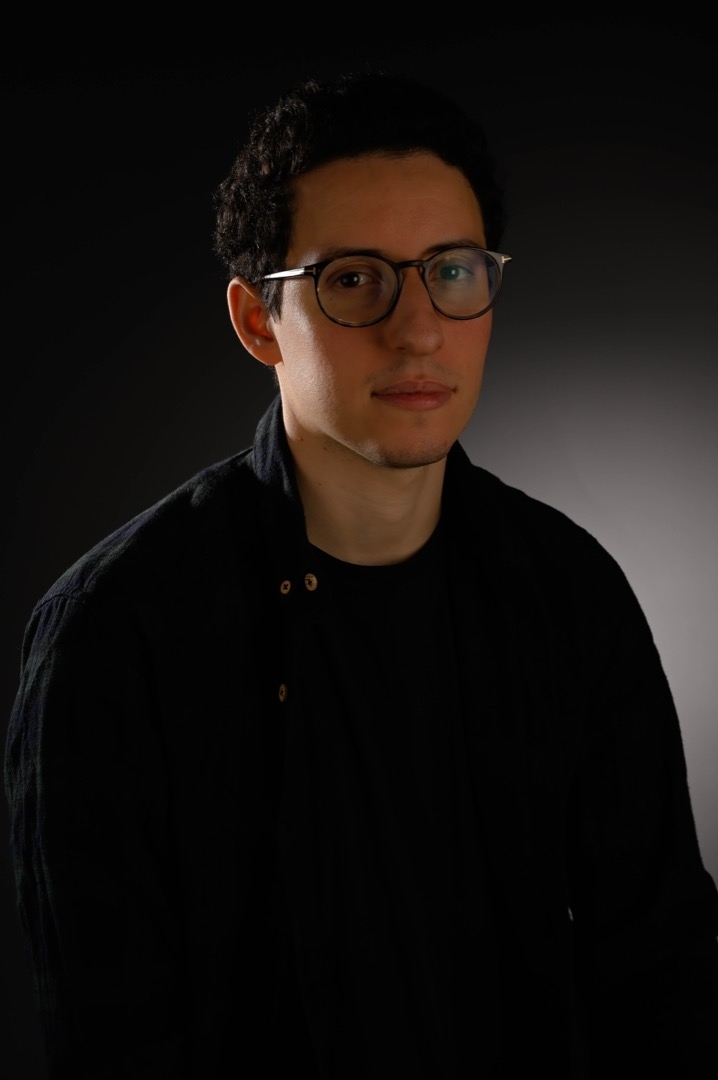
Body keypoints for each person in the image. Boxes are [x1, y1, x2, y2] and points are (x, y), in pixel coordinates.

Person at [4, 69, 718, 1080]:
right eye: (352, 279)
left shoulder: (569, 592)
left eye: (452, 271)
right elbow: (109, 1041)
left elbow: (666, 983)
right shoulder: (115, 634)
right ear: (258, 321)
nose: (418, 328)